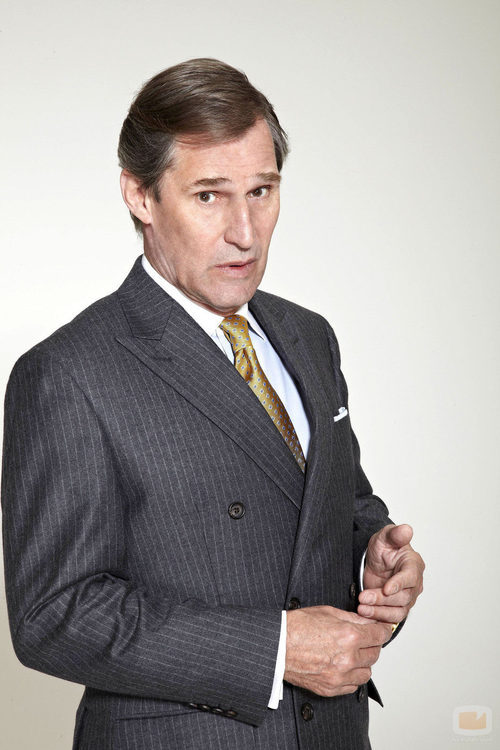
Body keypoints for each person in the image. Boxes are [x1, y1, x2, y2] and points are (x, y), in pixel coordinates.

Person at [1, 58, 424, 750]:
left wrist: (372, 565)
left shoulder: (309, 336)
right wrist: (276, 650)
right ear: (140, 195)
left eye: (261, 190)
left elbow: (340, 506)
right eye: (208, 196)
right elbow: (55, 614)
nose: (245, 232)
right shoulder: (67, 372)